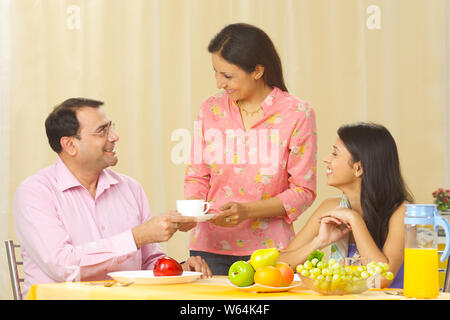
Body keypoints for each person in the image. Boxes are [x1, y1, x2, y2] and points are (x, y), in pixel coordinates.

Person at [13, 98, 211, 298]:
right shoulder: (35, 192)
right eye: (102, 131)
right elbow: (62, 266)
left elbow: (149, 264)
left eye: (111, 127)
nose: (114, 137)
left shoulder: (130, 188)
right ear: (70, 145)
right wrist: (137, 237)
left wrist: (178, 269)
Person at [184, 23, 317, 274]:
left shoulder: (297, 113)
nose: (218, 83)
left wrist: (247, 211)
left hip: (271, 252)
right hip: (208, 248)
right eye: (215, 72)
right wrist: (192, 211)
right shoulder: (211, 109)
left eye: (227, 76)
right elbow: (197, 175)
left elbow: (304, 190)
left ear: (257, 71)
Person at [278, 122, 413, 288]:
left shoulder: (401, 212)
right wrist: (318, 242)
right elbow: (279, 265)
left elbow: (381, 279)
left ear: (358, 168)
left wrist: (355, 220)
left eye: (335, 154)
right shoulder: (330, 207)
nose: (326, 159)